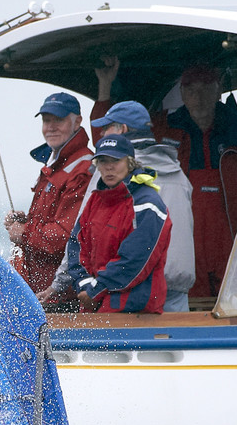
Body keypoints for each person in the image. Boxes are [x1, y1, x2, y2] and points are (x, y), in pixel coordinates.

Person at [93, 58, 237, 299]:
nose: (198, 96)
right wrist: (105, 87)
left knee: (236, 304)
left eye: (205, 86)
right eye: (190, 89)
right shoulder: (162, 128)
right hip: (184, 238)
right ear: (181, 92)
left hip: (233, 241)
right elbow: (108, 138)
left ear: (218, 89)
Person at [40, 100, 196, 312]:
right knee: (174, 346)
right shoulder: (178, 172)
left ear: (121, 130)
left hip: (130, 290)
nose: (102, 134)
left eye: (106, 128)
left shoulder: (111, 174)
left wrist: (58, 285)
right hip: (178, 288)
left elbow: (83, 234)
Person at [62, 133, 173, 314]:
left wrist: (95, 290)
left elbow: (134, 261)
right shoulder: (95, 201)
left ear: (130, 162)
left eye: (116, 160)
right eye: (103, 161)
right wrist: (83, 283)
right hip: (96, 308)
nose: (109, 167)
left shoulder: (147, 204)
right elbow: (77, 245)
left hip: (135, 313)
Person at [6, 92, 93, 294]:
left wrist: (24, 231)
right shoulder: (57, 162)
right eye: (47, 120)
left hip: (65, 293)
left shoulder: (82, 168)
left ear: (77, 121)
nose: (51, 127)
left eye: (59, 120)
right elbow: (53, 220)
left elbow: (66, 235)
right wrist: (25, 220)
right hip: (44, 289)